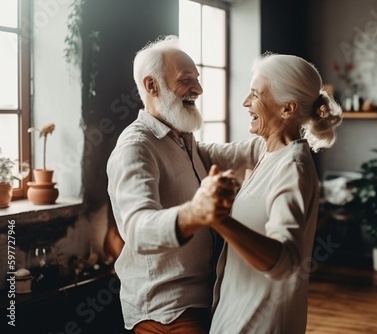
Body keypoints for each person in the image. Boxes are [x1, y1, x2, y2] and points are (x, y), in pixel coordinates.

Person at [107, 35, 247, 334]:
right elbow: (137, 228)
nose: (198, 88)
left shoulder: (182, 137)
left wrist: (284, 131)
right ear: (151, 85)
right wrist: (195, 212)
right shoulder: (136, 147)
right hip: (167, 311)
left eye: (197, 78)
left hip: (202, 299)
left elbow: (228, 153)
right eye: (186, 80)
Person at [196, 53, 343, 333]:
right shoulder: (267, 152)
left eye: (255, 94)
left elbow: (285, 260)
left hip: (260, 322)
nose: (245, 103)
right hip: (238, 312)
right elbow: (204, 152)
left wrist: (218, 219)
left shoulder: (293, 167)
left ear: (287, 109)